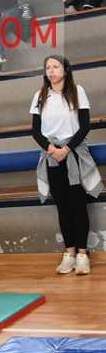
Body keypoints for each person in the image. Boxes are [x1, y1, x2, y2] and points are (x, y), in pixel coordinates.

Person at [30, 55, 103, 275]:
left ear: (66, 70)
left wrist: (67, 149)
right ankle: (69, 253)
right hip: (52, 157)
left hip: (74, 155)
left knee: (78, 205)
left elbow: (85, 126)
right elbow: (35, 131)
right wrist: (53, 150)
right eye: (48, 67)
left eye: (56, 66)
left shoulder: (77, 92)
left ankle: (82, 255)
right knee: (62, 207)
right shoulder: (40, 96)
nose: (51, 71)